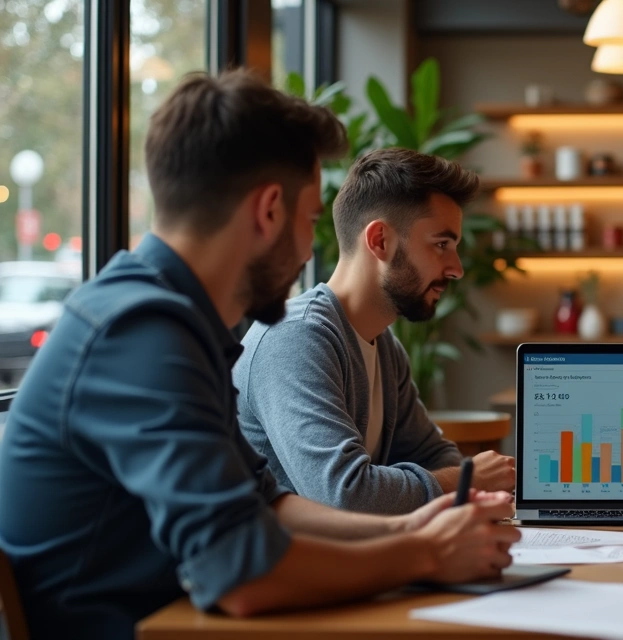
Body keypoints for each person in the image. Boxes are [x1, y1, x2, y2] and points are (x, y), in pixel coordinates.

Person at [0, 70, 519, 640]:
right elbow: (241, 574)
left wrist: (411, 530)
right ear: (269, 210)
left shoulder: (171, 319)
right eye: (310, 222)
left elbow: (270, 506)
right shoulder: (141, 332)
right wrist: (423, 555)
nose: (308, 252)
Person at [234, 147, 515, 515]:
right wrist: (466, 482)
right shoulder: (294, 339)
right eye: (441, 245)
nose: (456, 268)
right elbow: (346, 494)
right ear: (380, 240)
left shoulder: (382, 344)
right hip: (290, 569)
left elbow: (431, 454)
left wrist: (467, 489)